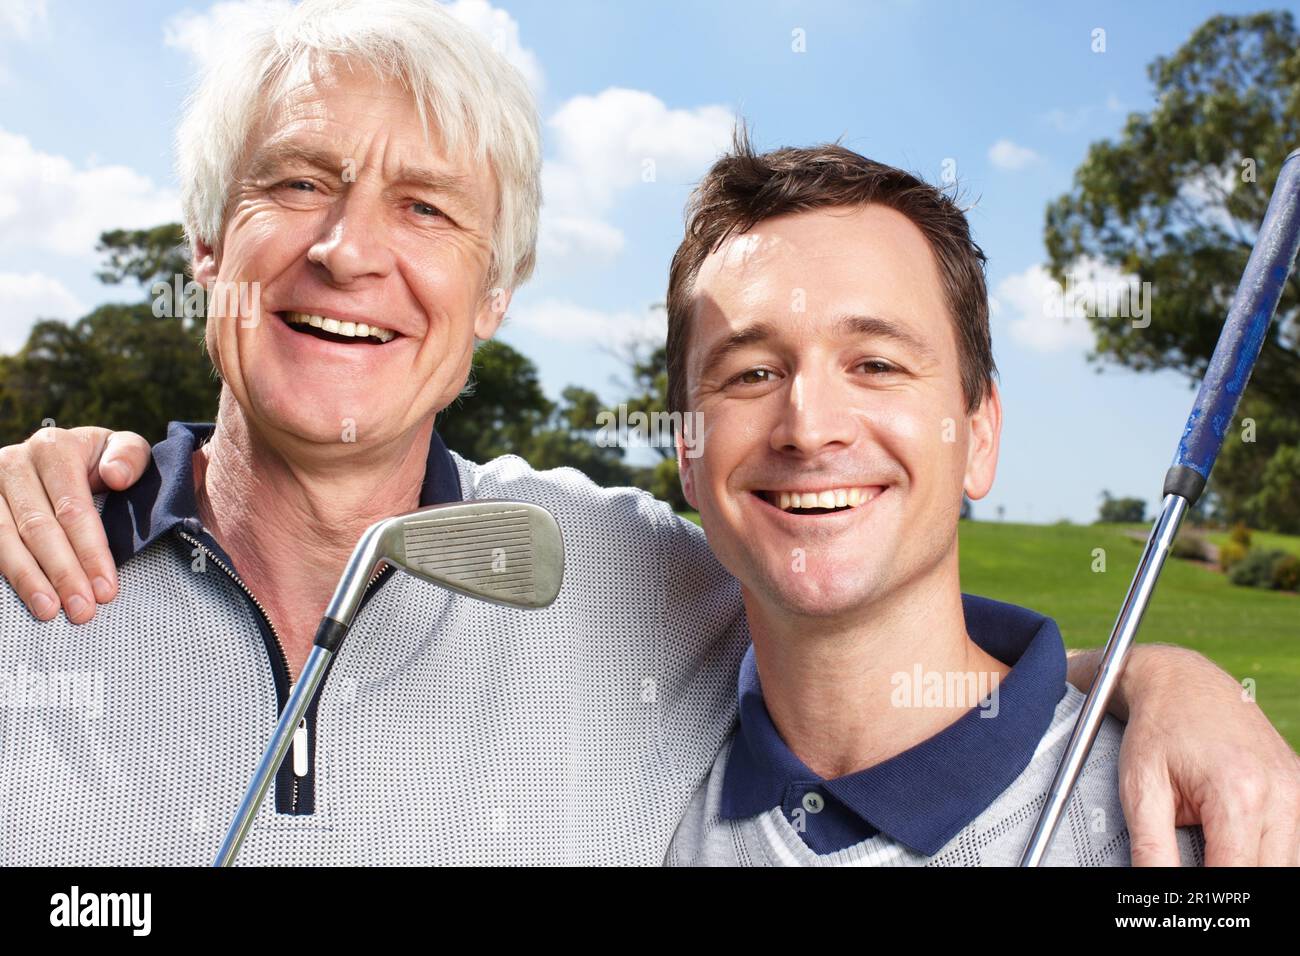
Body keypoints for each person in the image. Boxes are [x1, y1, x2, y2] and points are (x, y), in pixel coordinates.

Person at [0, 0, 1296, 865]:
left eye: (429, 209)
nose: (350, 251)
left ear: (495, 297)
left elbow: (869, 633)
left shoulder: (615, 569)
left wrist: (1160, 679)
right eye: (295, 182)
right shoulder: (29, 550)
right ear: (206, 246)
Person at [660, 135, 1203, 865]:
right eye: (752, 374)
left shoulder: (1183, 828)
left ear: (979, 435)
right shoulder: (627, 779)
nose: (810, 428)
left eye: (876, 364)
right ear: (688, 452)